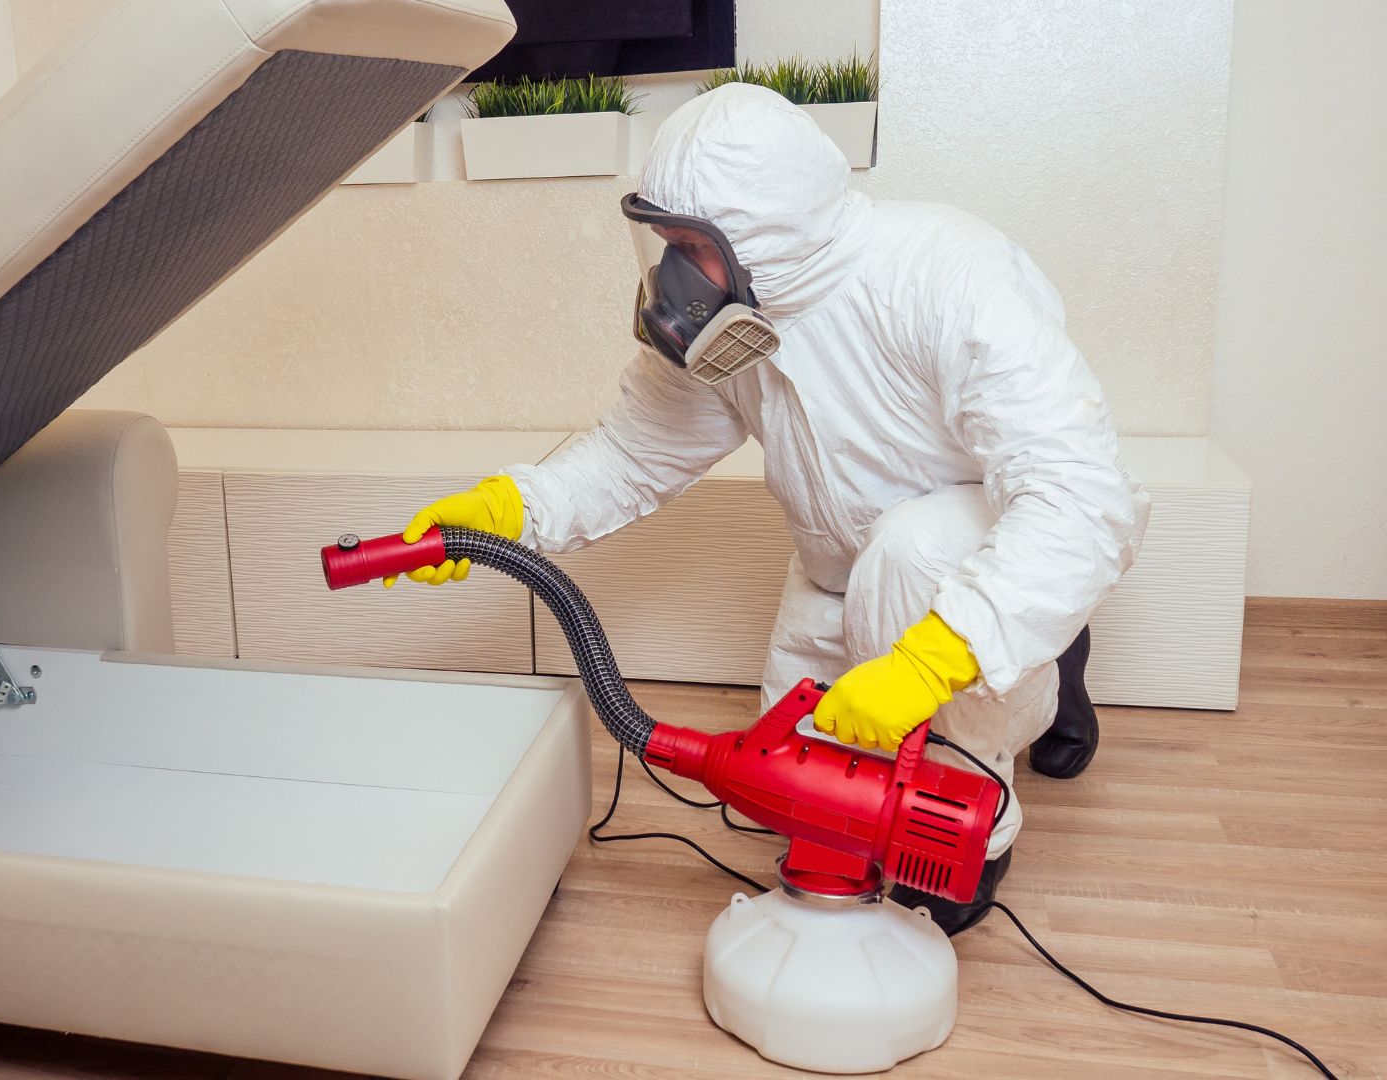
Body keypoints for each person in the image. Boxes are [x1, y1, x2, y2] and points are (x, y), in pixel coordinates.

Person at [386, 84, 1148, 934]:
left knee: (912, 563)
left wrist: (934, 660)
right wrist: (506, 510)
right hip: (838, 568)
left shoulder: (946, 274)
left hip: (956, 552)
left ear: (764, 229)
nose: (671, 272)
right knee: (792, 805)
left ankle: (991, 775)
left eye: (688, 246)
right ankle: (1031, 648)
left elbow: (1077, 495)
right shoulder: (736, 317)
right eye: (663, 242)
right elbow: (636, 452)